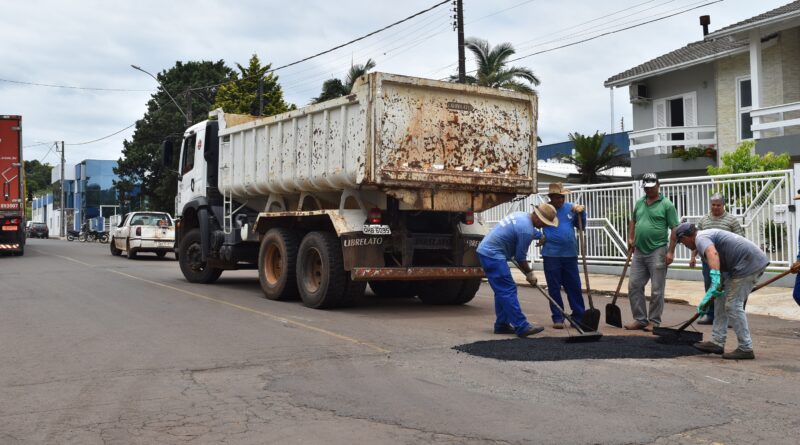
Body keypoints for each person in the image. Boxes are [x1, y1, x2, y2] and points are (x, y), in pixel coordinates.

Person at [674, 223, 769, 360]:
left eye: (681, 241)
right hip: (737, 266)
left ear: (686, 236)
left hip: (748, 265)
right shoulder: (704, 237)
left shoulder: (701, 238)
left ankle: (745, 348)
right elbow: (720, 261)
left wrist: (716, 279)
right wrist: (710, 296)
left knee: (733, 304)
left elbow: (713, 254)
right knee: (720, 300)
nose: (684, 245)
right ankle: (717, 342)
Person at [477, 203, 559, 337]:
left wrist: (540, 236)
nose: (544, 226)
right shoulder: (525, 229)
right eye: (544, 223)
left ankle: (501, 324)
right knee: (508, 290)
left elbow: (528, 230)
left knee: (501, 291)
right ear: (538, 218)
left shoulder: (522, 216)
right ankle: (521, 326)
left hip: (488, 252)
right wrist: (529, 273)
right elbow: (520, 257)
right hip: (492, 255)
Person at [625, 173, 679, 331]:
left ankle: (654, 321)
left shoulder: (667, 205)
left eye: (651, 187)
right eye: (646, 188)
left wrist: (670, 252)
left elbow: (674, 228)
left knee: (656, 289)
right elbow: (633, 221)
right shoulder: (640, 202)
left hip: (658, 250)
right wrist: (630, 238)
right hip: (639, 251)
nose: (648, 190)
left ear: (658, 185)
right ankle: (640, 319)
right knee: (633, 285)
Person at [689, 193, 745, 325]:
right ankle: (710, 315)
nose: (715, 207)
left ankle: (730, 317)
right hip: (707, 261)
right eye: (713, 204)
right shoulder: (704, 220)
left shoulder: (731, 220)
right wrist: (693, 257)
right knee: (710, 286)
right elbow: (697, 240)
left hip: (726, 262)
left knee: (727, 289)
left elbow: (740, 239)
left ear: (723, 205)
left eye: (718, 205)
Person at [540, 183, 587, 329]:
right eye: (557, 197)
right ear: (551, 198)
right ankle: (558, 317)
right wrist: (538, 236)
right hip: (551, 254)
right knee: (554, 287)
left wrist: (581, 213)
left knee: (574, 286)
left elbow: (581, 227)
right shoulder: (544, 210)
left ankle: (578, 316)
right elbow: (533, 224)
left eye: (562, 197)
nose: (560, 200)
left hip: (569, 254)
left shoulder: (572, 209)